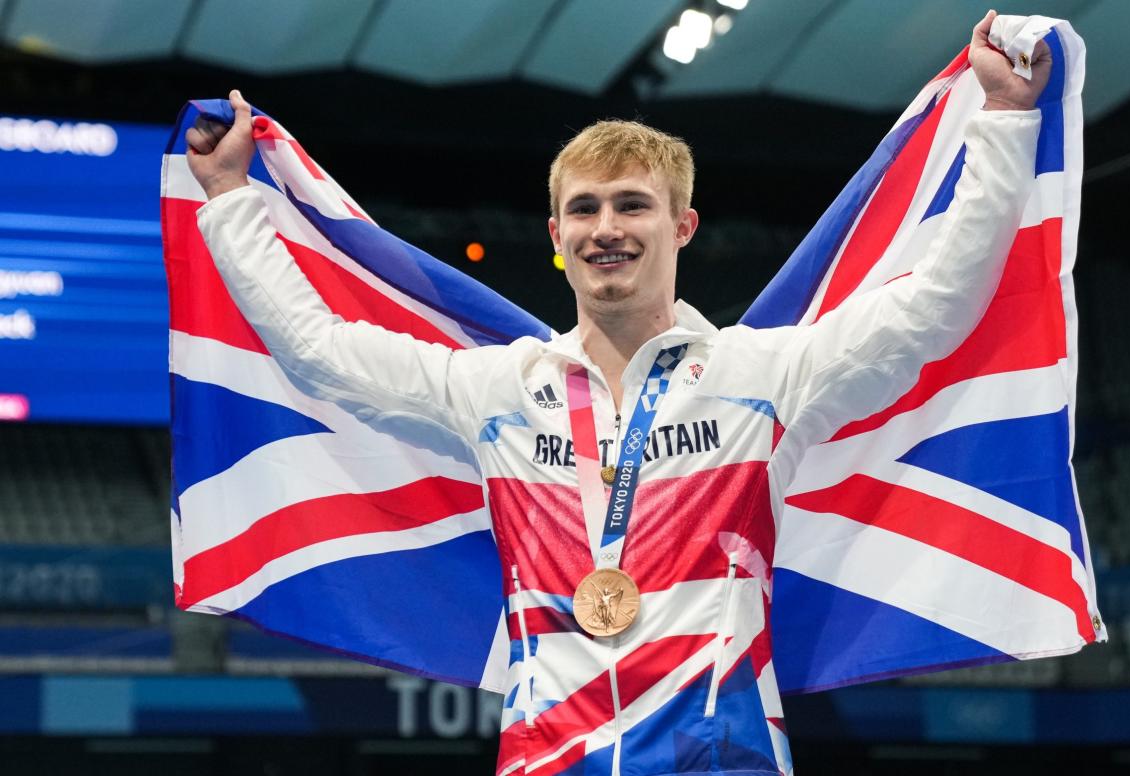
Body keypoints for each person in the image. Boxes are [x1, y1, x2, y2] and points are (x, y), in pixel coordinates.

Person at [186, 11, 1049, 776]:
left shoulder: (767, 377)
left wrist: (1005, 119)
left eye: (632, 205)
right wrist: (228, 197)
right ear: (556, 234)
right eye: (585, 209)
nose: (607, 228)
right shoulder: (497, 391)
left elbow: (937, 304)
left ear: (681, 226)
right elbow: (318, 350)